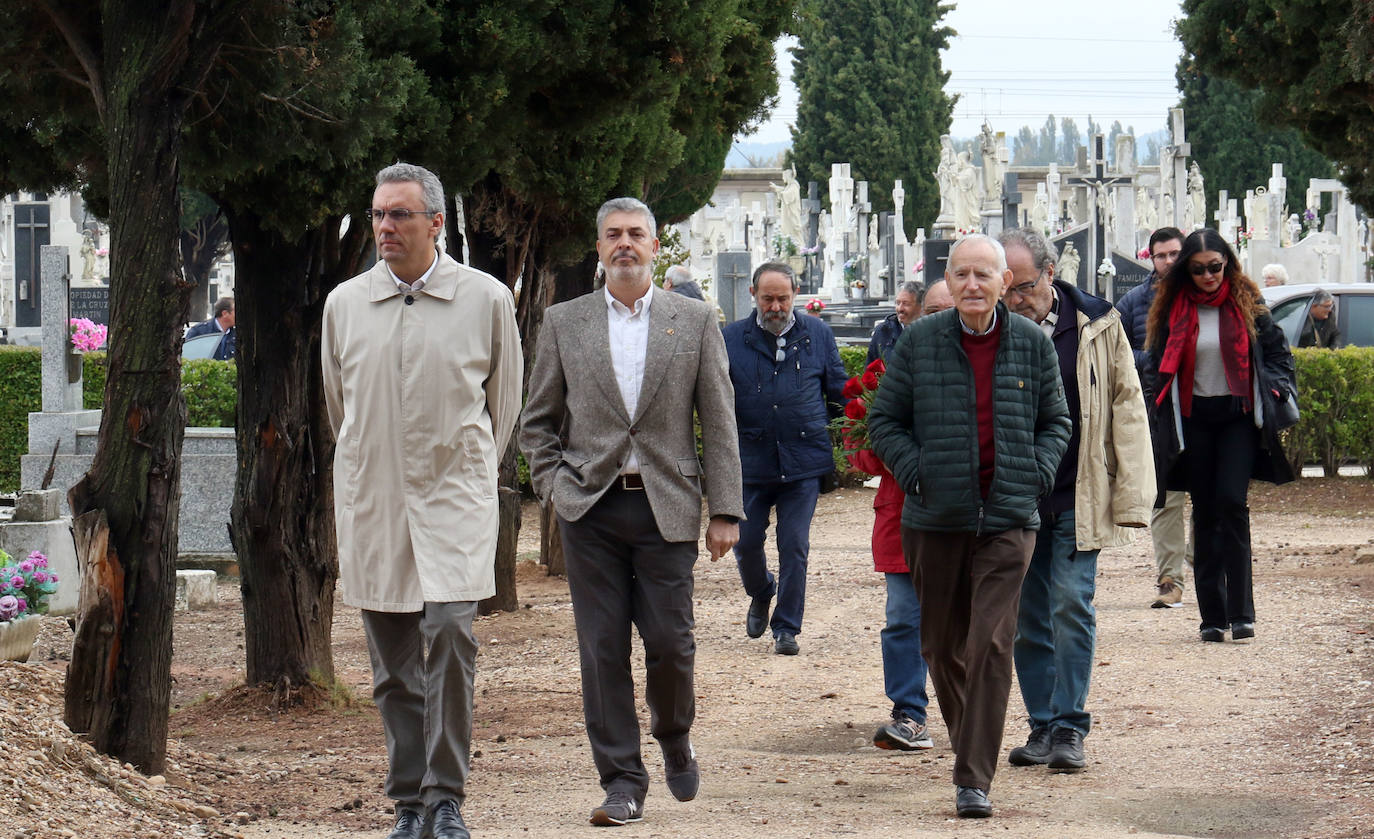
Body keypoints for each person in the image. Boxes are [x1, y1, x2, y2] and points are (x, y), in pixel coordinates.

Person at [519, 197, 743, 827]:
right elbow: (536, 422)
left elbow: (718, 421)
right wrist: (557, 489)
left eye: (635, 234)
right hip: (589, 510)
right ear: (599, 248)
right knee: (601, 648)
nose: (624, 244)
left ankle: (673, 732)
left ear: (654, 246)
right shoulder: (565, 322)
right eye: (613, 235)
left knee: (671, 643)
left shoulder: (693, 320)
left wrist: (725, 509)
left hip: (666, 507)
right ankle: (621, 779)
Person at [321, 163, 522, 839]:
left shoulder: (485, 299)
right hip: (376, 505)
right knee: (394, 667)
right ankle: (408, 800)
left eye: (400, 215)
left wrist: (468, 471)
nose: (385, 227)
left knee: (452, 637)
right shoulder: (345, 305)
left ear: (436, 222)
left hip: (454, 502)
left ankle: (446, 796)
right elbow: (337, 408)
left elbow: (505, 405)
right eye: (378, 214)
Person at [868, 234, 1071, 819]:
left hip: (1008, 518)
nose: (973, 285)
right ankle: (973, 749)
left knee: (990, 642)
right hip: (936, 518)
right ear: (949, 282)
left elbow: (1055, 420)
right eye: (962, 275)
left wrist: (1034, 473)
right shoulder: (921, 342)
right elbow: (885, 419)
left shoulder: (1032, 343)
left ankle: (972, 778)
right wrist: (917, 472)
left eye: (985, 274)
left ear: (1005, 281)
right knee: (940, 644)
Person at [998, 228, 1155, 773]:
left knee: (1071, 604)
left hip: (1075, 492)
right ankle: (1041, 724)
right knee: (1024, 616)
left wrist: (1133, 494)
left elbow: (1126, 403)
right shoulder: (993, 328)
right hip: (1015, 498)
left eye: (1022, 286)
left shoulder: (1098, 322)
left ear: (1049, 273)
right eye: (1006, 288)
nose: (1014, 298)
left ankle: (1069, 726)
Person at [1144, 228, 1296, 644]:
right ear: (1186, 272)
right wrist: (1154, 400)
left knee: (1232, 503)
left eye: (1216, 266)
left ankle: (1242, 613)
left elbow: (1280, 355)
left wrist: (1276, 389)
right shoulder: (1171, 308)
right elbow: (1154, 364)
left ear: (1227, 263)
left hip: (1237, 417)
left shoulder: (1248, 303)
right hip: (1192, 419)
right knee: (1205, 512)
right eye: (1199, 269)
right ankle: (1211, 616)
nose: (1209, 275)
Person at [723, 261, 846, 656]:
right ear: (753, 296)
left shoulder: (819, 334)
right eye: (768, 298)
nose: (776, 306)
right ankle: (762, 590)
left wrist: (854, 431)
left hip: (803, 458)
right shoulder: (730, 339)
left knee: (794, 543)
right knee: (745, 542)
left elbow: (839, 390)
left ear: (796, 295)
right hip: (751, 459)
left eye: (783, 298)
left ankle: (787, 627)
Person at [849, 280, 951, 753]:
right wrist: (891, 457)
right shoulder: (885, 373)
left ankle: (965, 709)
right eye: (929, 310)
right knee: (904, 617)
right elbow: (857, 448)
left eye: (945, 310)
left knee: (963, 621)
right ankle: (909, 712)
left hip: (968, 519)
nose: (937, 319)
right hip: (903, 517)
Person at [1115, 227, 1191, 609]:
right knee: (1166, 498)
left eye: (1175, 253)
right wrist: (1158, 362)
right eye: (1161, 255)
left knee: (1214, 496)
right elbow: (1121, 353)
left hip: (1201, 407)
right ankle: (1170, 579)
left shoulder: (1203, 294)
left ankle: (1197, 558)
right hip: (1157, 408)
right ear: (1151, 258)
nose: (1168, 262)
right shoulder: (1133, 302)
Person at [866, 280, 924, 365]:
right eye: (898, 303)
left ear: (921, 306)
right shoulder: (883, 331)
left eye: (906, 304)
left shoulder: (933, 331)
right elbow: (870, 371)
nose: (900, 309)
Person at [185, 296, 237, 360]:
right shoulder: (199, 331)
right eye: (236, 311)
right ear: (225, 313)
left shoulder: (237, 334)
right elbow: (187, 356)